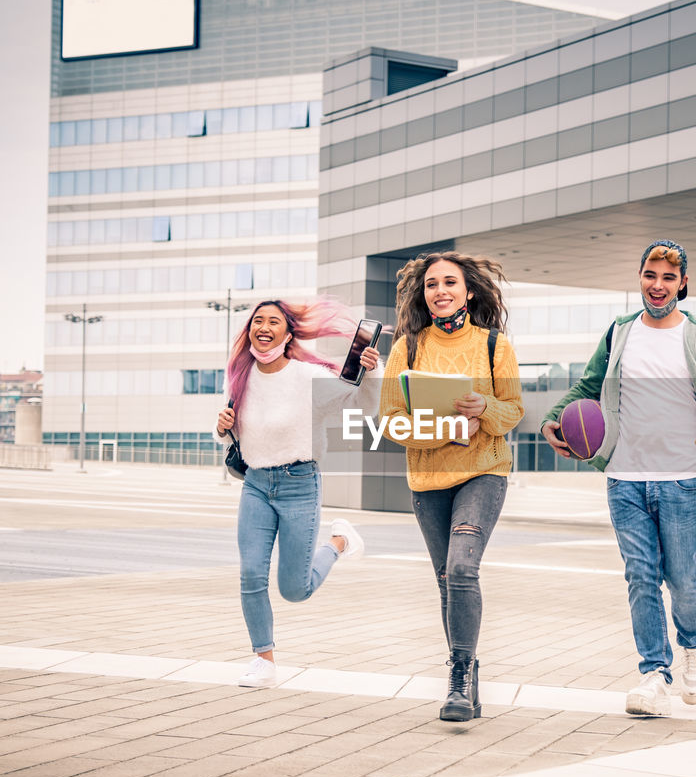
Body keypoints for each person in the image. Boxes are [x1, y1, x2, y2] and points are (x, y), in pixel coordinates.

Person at [541, 240, 696, 717]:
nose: (658, 285)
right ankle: (655, 674)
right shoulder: (619, 333)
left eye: (668, 278)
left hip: (681, 477)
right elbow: (587, 386)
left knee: (683, 576)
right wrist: (554, 417)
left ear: (683, 284)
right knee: (641, 576)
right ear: (639, 278)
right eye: (650, 275)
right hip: (623, 476)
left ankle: (694, 646)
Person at [379, 252, 523, 721]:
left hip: (484, 472)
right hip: (428, 479)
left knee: (462, 569)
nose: (439, 291)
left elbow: (513, 412)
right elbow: (391, 423)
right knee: (446, 581)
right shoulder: (407, 348)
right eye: (431, 285)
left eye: (449, 283)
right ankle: (468, 682)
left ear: (469, 291)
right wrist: (445, 429)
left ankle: (457, 678)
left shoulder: (494, 345)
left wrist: (484, 409)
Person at [216, 299, 381, 688]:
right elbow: (229, 430)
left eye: (274, 320)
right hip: (256, 485)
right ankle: (264, 660)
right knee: (251, 574)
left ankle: (339, 542)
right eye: (258, 320)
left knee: (295, 589)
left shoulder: (307, 377)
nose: (264, 326)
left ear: (288, 333)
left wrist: (372, 374)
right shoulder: (240, 376)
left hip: (299, 484)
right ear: (250, 330)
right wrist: (222, 425)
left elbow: (363, 406)